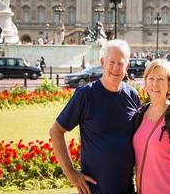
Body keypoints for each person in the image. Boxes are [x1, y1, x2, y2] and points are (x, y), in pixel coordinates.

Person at [49, 39, 140, 194]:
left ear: (127, 66)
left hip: (127, 189)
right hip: (95, 190)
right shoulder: (86, 94)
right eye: (111, 62)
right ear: (102, 62)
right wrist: (72, 174)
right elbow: (56, 131)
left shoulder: (133, 95)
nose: (116, 68)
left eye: (121, 63)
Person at [133, 59, 170, 194]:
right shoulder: (139, 115)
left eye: (161, 79)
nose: (155, 84)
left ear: (169, 84)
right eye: (151, 78)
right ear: (146, 82)